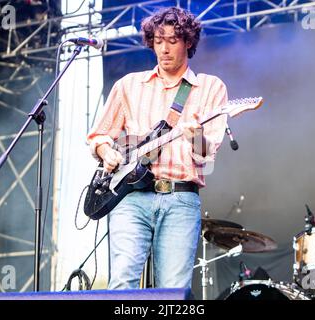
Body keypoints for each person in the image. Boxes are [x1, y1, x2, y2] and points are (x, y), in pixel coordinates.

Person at [86, 7, 229, 290]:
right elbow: (99, 136)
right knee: (122, 283)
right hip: (130, 198)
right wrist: (107, 152)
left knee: (173, 290)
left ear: (188, 41)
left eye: (172, 40)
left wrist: (194, 135)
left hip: (180, 198)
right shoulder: (129, 85)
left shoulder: (210, 88)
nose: (164, 49)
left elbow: (205, 154)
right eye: (158, 40)